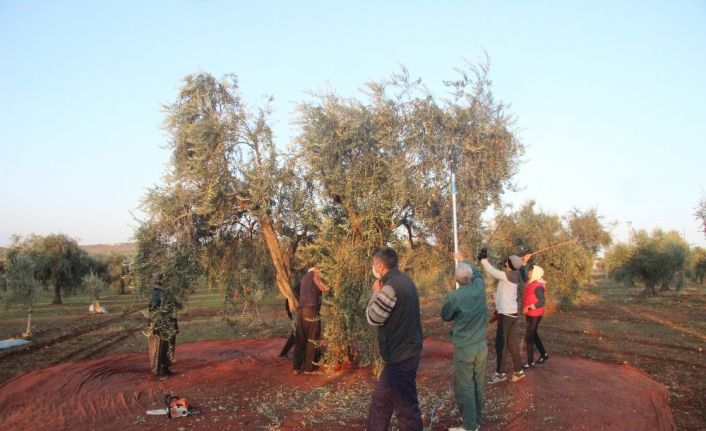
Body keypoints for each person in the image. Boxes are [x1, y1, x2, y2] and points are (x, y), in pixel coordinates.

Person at [366, 246, 424, 431]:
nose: (373, 266)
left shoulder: (390, 287)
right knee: (381, 399)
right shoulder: (405, 280)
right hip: (404, 352)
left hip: (400, 355)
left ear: (381, 265)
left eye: (374, 263)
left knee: (406, 407)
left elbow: (373, 317)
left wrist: (375, 293)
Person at [457, 249, 527, 384]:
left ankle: (500, 374)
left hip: (506, 315)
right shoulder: (513, 275)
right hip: (510, 314)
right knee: (512, 344)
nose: (505, 261)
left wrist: (483, 259)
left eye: (507, 260)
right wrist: (496, 296)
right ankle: (518, 371)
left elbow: (492, 271)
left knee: (501, 344)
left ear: (510, 265)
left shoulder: (509, 275)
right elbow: (506, 291)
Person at [441, 261, 488, 431]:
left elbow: (445, 315)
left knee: (465, 386)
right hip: (481, 345)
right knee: (478, 382)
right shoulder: (479, 286)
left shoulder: (455, 296)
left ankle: (469, 425)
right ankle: (476, 418)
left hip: (465, 348)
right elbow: (478, 274)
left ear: (457, 279)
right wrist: (465, 261)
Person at [293, 263, 328, 375]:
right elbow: (323, 288)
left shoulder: (304, 278)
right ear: (316, 268)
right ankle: (309, 369)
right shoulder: (314, 275)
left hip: (301, 310)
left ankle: (296, 368)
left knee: (300, 338)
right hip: (311, 309)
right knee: (312, 338)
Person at [147, 272, 179, 377]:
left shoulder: (167, 292)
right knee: (162, 346)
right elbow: (153, 309)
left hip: (169, 323)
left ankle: (165, 367)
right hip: (162, 324)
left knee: (169, 344)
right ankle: (160, 369)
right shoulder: (156, 292)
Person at [522, 265, 549, 367]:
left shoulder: (538, 286)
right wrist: (524, 263)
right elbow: (523, 273)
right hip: (531, 314)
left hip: (535, 315)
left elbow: (542, 302)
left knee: (529, 337)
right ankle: (544, 354)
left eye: (531, 271)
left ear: (535, 274)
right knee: (533, 335)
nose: (529, 272)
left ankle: (530, 362)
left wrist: (528, 308)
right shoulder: (531, 282)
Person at [278, 278, 301, 359]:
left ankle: (283, 353)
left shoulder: (298, 288)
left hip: (293, 311)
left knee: (295, 334)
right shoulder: (300, 289)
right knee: (297, 333)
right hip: (295, 312)